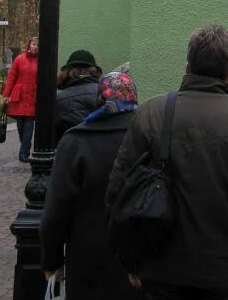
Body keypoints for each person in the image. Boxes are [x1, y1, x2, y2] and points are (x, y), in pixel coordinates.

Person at [107, 24, 228, 300]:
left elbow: (118, 192)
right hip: (227, 273)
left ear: (187, 68)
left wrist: (130, 260)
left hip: (161, 269)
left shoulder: (150, 114)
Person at [40, 71, 143, 300]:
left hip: (88, 261)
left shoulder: (76, 142)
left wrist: (52, 260)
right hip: (139, 262)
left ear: (100, 99)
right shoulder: (149, 138)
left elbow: (56, 211)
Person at [55, 49, 103, 145]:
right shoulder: (104, 92)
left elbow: (54, 136)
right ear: (94, 71)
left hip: (70, 150)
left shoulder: (59, 98)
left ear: (66, 72)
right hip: (102, 150)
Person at [3, 36, 38, 162]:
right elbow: (12, 77)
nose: (35, 47)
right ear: (29, 45)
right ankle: (25, 146)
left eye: (37, 45)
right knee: (20, 126)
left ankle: (24, 153)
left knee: (29, 126)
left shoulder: (41, 61)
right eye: (34, 44)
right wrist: (6, 94)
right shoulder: (19, 59)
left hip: (32, 97)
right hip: (19, 97)